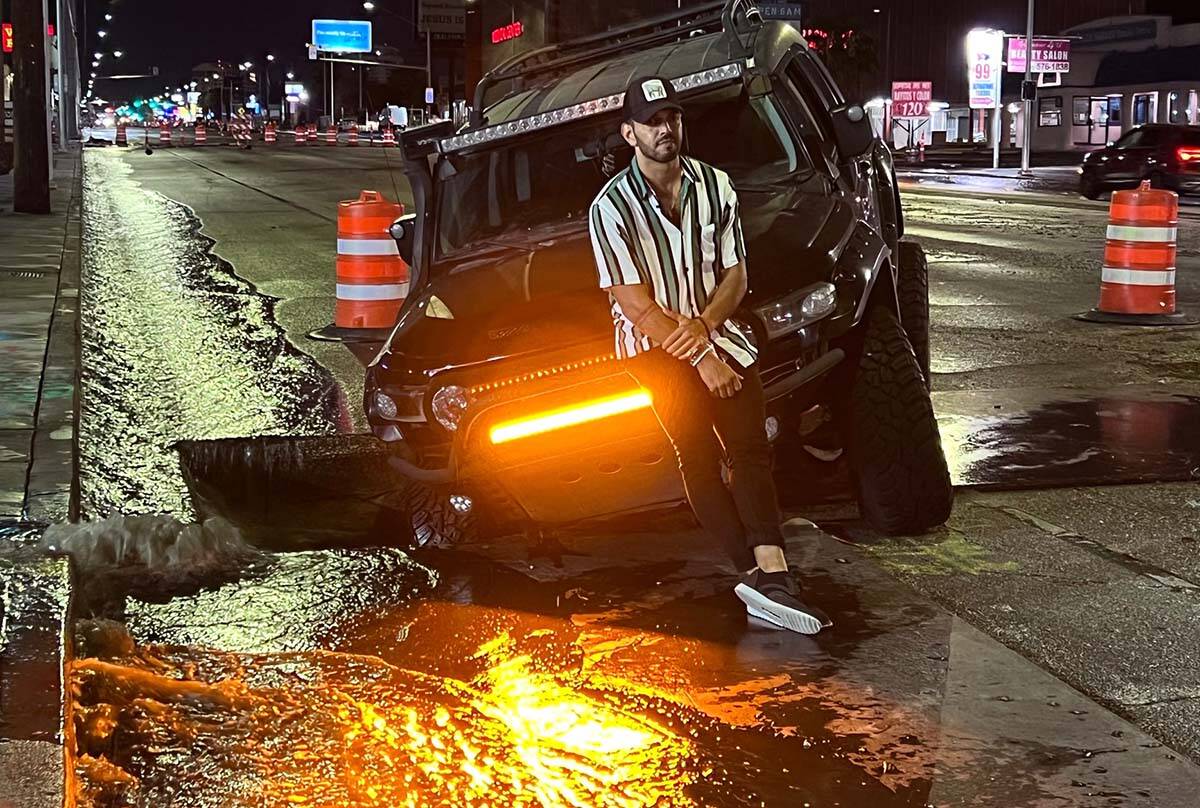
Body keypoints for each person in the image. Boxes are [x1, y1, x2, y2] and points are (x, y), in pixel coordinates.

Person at [588, 74, 832, 635]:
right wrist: (701, 358)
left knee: (749, 446)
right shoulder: (609, 208)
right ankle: (750, 571)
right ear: (629, 133)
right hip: (651, 347)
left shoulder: (716, 184)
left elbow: (736, 275)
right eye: (651, 122)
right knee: (697, 455)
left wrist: (705, 330)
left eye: (671, 118)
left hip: (715, 328)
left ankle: (773, 573)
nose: (664, 129)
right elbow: (635, 304)